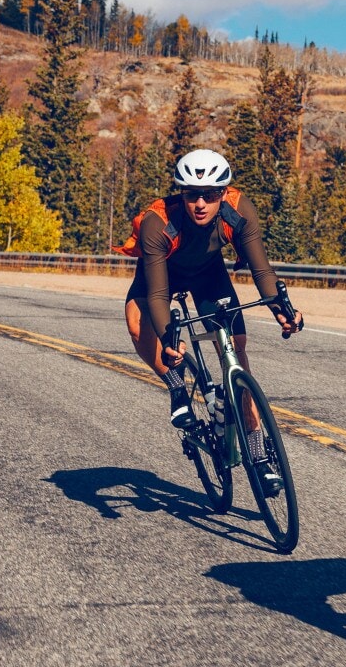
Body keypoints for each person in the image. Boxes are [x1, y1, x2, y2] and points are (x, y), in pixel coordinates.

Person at [114, 149, 303, 494]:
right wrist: (170, 340)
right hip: (161, 276)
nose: (201, 203)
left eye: (211, 195)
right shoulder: (159, 222)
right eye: (191, 195)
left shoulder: (239, 209)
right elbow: (157, 296)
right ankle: (176, 386)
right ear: (181, 194)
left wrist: (281, 310)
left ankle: (259, 455)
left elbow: (262, 269)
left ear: (223, 194)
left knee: (236, 353)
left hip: (208, 276)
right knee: (138, 324)